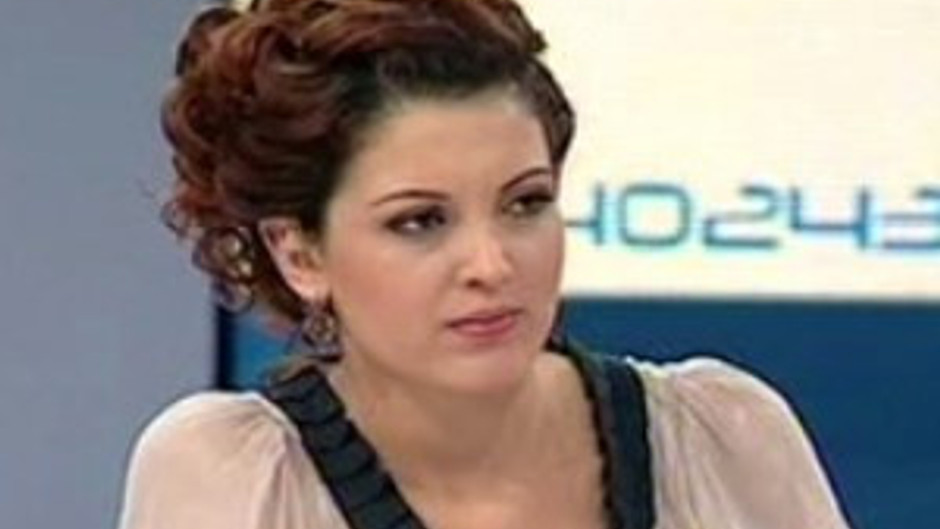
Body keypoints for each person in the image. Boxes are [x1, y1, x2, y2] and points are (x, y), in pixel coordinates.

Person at [117, 0, 853, 528]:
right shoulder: (231, 477)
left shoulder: (728, 438)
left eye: (525, 203)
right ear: (300, 253)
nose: (492, 264)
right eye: (420, 221)